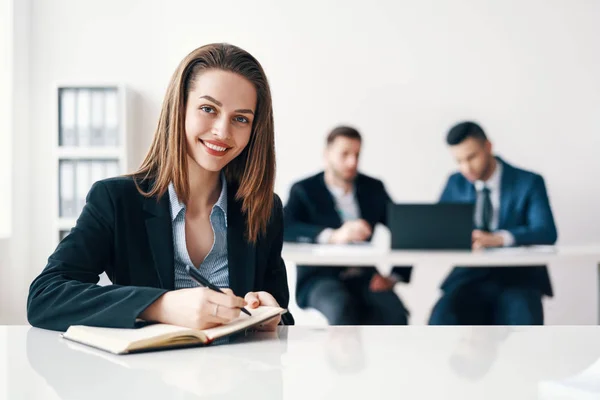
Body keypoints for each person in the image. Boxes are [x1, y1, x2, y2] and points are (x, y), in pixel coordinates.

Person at [27, 43, 294, 332]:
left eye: (241, 119)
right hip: (148, 374)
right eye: (208, 109)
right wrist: (162, 306)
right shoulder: (117, 200)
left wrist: (272, 315)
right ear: (178, 108)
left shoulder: (263, 208)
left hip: (237, 372)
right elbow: (45, 297)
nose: (222, 131)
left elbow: (283, 315)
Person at [429, 121, 557, 325]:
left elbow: (546, 231)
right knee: (440, 319)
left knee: (523, 325)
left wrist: (499, 239)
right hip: (469, 276)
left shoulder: (529, 182)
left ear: (488, 147)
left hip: (519, 278)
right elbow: (438, 227)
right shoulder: (455, 183)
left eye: (471, 157)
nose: (466, 168)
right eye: (459, 161)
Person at [283, 126, 411, 325]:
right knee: (341, 307)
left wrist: (394, 277)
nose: (352, 162)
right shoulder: (304, 190)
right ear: (327, 155)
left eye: (357, 155)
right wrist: (332, 236)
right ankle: (343, 358)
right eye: (344, 154)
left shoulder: (373, 188)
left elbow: (405, 230)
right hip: (319, 278)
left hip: (365, 275)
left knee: (394, 311)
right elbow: (284, 228)